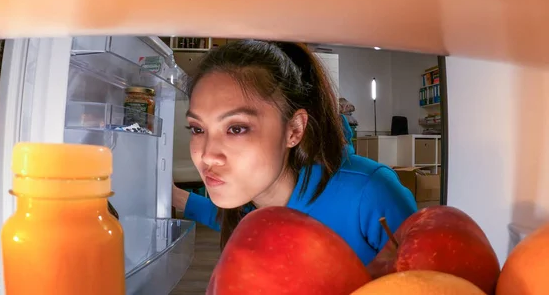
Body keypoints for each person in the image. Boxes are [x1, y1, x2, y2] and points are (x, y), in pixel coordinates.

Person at [172, 40, 416, 266]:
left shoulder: (370, 193)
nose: (207, 155)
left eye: (236, 128)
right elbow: (229, 216)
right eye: (197, 128)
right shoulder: (252, 199)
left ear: (294, 130)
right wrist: (175, 197)